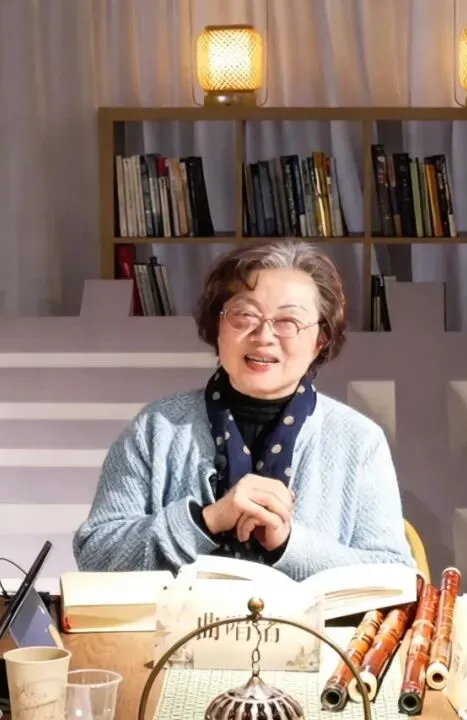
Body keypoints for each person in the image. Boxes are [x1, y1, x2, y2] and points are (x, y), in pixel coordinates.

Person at [72, 239, 414, 581]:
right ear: (218, 326)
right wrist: (206, 521)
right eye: (245, 315)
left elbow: (396, 576)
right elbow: (95, 554)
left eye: (288, 321)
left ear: (319, 341)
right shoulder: (158, 427)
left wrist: (289, 544)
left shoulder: (358, 439)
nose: (264, 335)